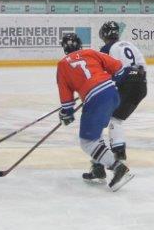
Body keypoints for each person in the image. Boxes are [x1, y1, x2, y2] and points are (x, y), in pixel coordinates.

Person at [56, 32, 134, 191]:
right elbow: (118, 67)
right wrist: (105, 82)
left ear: (64, 49)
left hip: (95, 99)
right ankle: (98, 168)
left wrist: (66, 113)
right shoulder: (90, 52)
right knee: (95, 135)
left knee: (87, 142)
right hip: (112, 94)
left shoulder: (63, 64)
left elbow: (66, 98)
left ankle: (118, 167)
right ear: (80, 44)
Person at [99, 20, 147, 163]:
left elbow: (103, 72)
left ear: (104, 34)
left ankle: (118, 155)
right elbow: (142, 67)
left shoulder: (106, 48)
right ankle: (117, 153)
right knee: (117, 119)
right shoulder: (129, 45)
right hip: (141, 86)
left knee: (113, 119)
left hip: (126, 85)